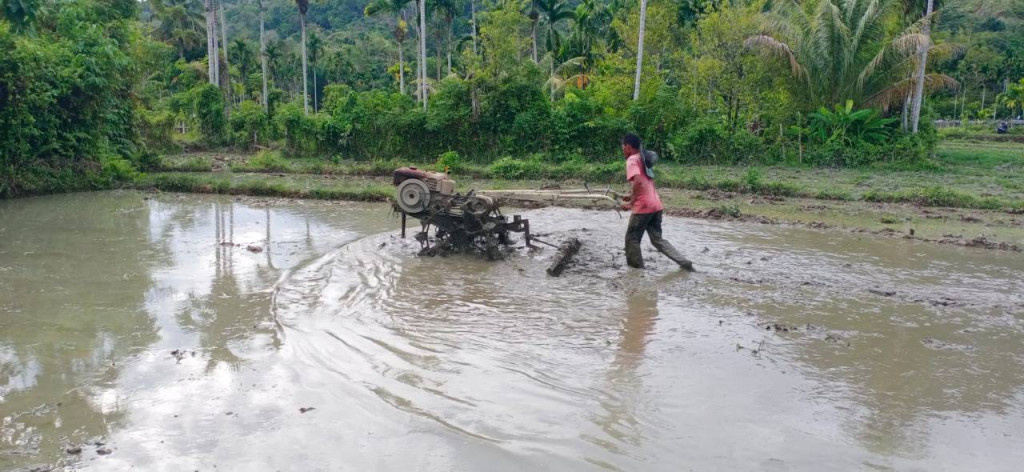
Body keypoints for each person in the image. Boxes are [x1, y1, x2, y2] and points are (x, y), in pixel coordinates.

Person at [620, 133, 694, 271]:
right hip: (656, 205)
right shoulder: (643, 159)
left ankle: (636, 271)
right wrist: (630, 196)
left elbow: (637, 180)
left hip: (643, 207)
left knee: (632, 239)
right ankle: (684, 262)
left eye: (623, 147)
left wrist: (631, 203)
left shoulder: (631, 160)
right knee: (657, 240)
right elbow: (643, 183)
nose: (622, 150)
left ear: (629, 147)